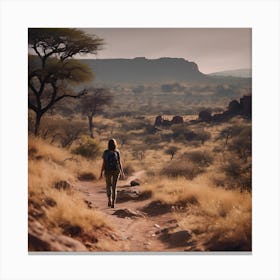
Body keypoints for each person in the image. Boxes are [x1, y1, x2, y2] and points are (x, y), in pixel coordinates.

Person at [99, 139, 125, 208]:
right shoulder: (117, 152)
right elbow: (119, 162)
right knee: (114, 186)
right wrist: (122, 172)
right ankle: (113, 202)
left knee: (108, 185)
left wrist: (101, 172)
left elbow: (104, 163)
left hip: (107, 170)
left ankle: (109, 200)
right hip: (116, 170)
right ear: (115, 144)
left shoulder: (105, 152)